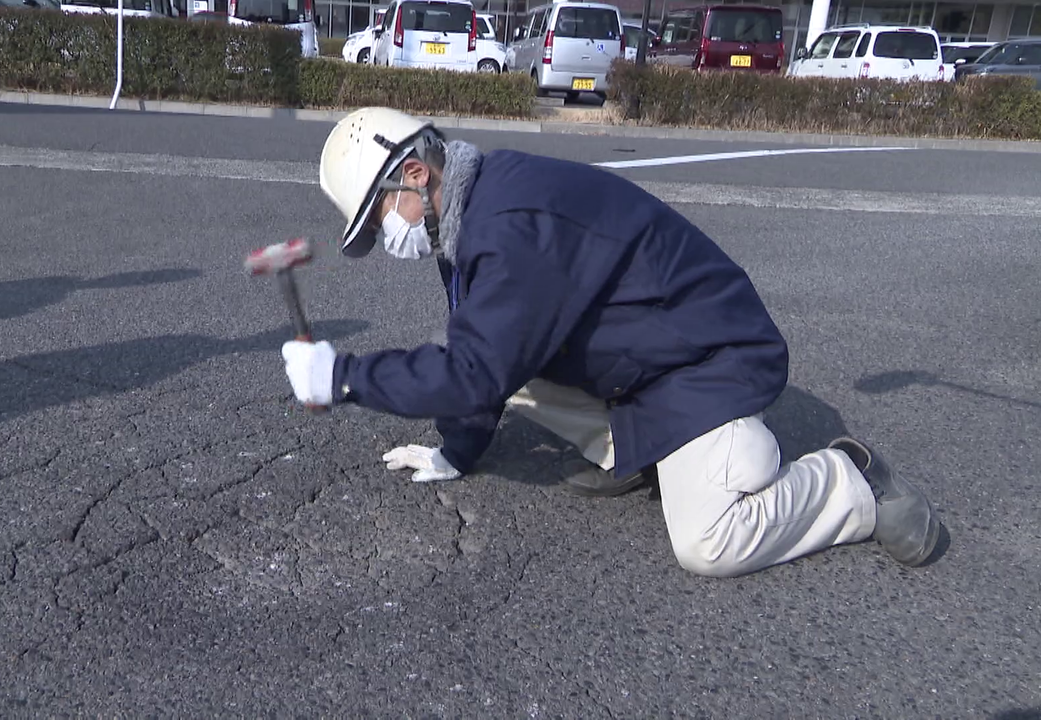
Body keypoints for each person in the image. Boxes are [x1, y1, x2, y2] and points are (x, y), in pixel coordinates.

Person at [279, 107, 942, 578]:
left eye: (379, 217)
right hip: (650, 362)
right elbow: (478, 347)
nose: (385, 238)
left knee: (708, 543)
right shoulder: (466, 216)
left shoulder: (510, 226)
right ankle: (639, 451)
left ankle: (850, 483)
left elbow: (474, 371)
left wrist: (344, 377)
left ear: (415, 174)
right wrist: (457, 450)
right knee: (504, 361)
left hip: (709, 363)